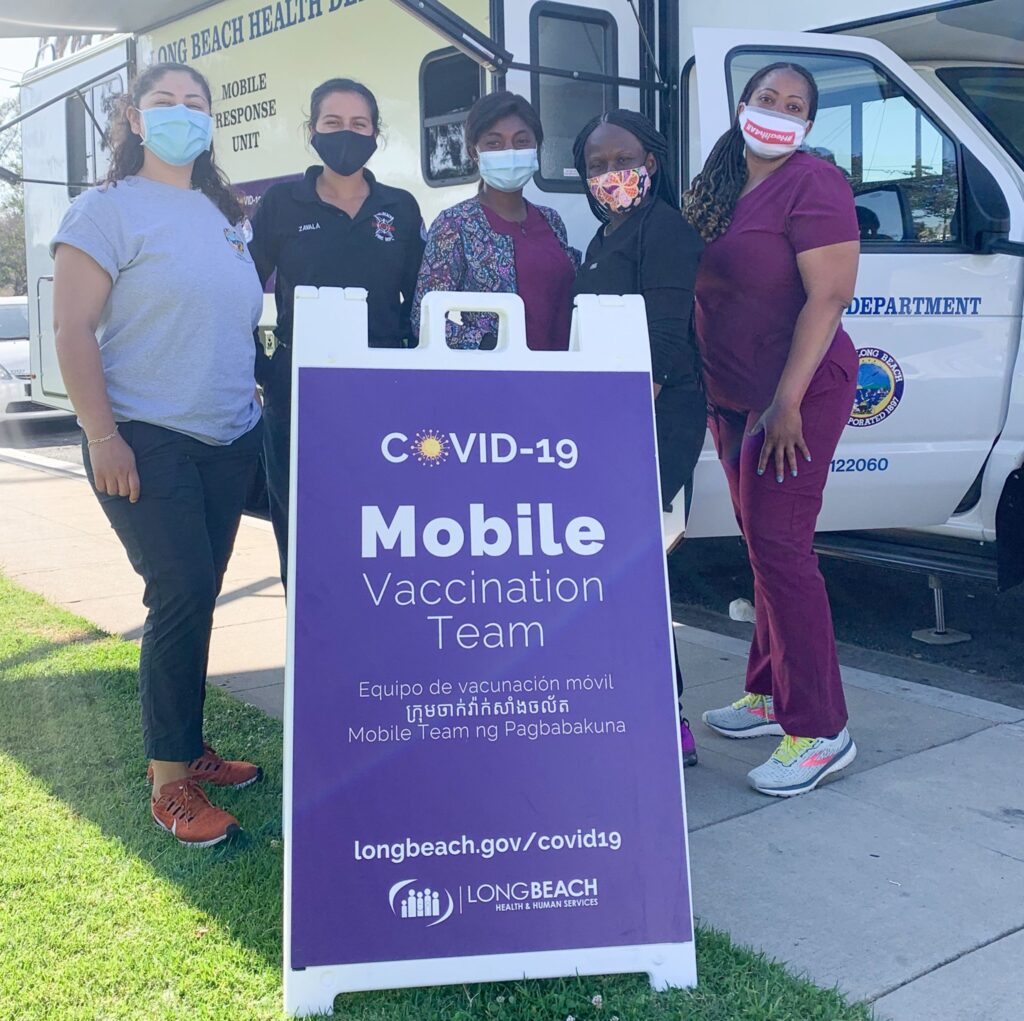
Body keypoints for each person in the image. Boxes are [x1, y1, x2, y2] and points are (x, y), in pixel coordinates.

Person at [51, 63, 264, 847]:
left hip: (227, 438)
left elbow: (227, 320)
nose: (183, 116)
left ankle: (191, 747)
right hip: (145, 437)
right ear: (134, 119)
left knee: (199, 592)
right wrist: (103, 436)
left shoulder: (220, 211)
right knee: (178, 593)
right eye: (165, 104)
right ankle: (170, 783)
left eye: (196, 105)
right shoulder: (103, 209)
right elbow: (72, 331)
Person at [683, 62, 860, 796]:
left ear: (809, 125)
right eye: (767, 99)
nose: (779, 112)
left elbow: (830, 296)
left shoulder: (813, 182)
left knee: (783, 548)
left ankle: (820, 728)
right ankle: (768, 690)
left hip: (794, 396)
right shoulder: (723, 185)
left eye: (795, 106)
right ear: (743, 105)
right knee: (761, 543)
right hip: (733, 398)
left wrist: (786, 400)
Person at [249, 78, 425, 582]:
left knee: (384, 528)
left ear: (375, 134)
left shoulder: (401, 206)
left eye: (358, 124)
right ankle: (308, 650)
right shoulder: (281, 205)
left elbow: (420, 299)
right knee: (305, 531)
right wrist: (260, 369)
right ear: (312, 131)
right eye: (332, 123)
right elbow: (239, 290)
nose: (346, 133)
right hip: (300, 392)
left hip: (384, 392)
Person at [572, 110, 707, 766]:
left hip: (654, 420)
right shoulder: (606, 236)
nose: (609, 173)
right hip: (613, 421)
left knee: (638, 573)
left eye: (621, 158)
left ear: (650, 161)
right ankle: (634, 704)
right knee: (621, 572)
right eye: (596, 163)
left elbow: (664, 339)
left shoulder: (665, 230)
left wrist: (621, 429)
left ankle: (669, 718)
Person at [412, 92, 579, 350]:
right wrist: (487, 346)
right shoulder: (455, 224)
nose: (510, 152)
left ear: (536, 148)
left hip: (563, 374)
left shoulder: (551, 221)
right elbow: (423, 318)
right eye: (494, 143)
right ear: (473, 152)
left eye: (521, 141)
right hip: (497, 382)